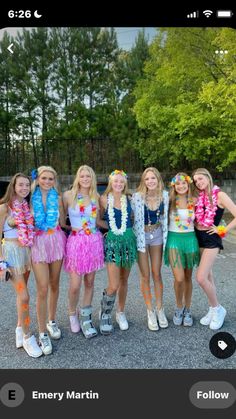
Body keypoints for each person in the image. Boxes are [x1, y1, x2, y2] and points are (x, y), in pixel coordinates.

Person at [0, 173, 42, 358]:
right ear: (13, 186)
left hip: (26, 253)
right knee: (24, 296)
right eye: (21, 185)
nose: (24, 188)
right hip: (11, 256)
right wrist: (1, 263)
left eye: (27, 185)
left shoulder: (26, 206)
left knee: (21, 294)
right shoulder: (4, 207)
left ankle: (19, 328)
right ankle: (27, 336)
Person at [63, 165, 104, 338]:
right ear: (77, 178)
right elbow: (60, 221)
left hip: (94, 242)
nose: (85, 178)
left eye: (88, 176)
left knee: (89, 282)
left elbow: (99, 221)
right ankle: (72, 313)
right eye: (82, 176)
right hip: (76, 242)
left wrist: (119, 229)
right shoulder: (67, 196)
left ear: (92, 178)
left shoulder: (97, 197)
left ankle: (85, 316)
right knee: (75, 284)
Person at [192, 168, 236, 330]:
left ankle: (218, 309)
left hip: (211, 238)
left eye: (201, 179)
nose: (199, 183)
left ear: (208, 178)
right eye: (196, 181)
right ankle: (212, 309)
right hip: (199, 237)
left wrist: (222, 230)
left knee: (201, 278)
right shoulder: (201, 196)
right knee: (208, 276)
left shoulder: (220, 195)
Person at [31, 166, 66, 355]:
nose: (47, 181)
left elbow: (62, 224)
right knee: (42, 287)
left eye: (50, 179)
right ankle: (42, 333)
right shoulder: (30, 198)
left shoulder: (58, 198)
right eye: (43, 178)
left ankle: (51, 321)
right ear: (37, 179)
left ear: (54, 180)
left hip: (56, 241)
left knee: (54, 284)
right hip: (38, 242)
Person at [99, 170, 137, 334]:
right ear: (111, 182)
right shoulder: (103, 199)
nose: (119, 184)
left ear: (125, 183)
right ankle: (105, 312)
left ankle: (120, 312)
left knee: (124, 280)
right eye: (116, 181)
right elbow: (97, 220)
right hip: (113, 243)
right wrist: (111, 230)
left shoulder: (129, 199)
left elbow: (133, 219)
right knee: (113, 284)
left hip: (128, 242)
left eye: (121, 182)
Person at [132, 167, 169, 331]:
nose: (150, 181)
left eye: (153, 178)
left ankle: (160, 309)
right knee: (145, 275)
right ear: (143, 181)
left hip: (158, 234)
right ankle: (150, 310)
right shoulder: (137, 197)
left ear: (158, 179)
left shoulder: (165, 196)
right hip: (141, 236)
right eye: (147, 179)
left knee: (156, 273)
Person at [164, 173, 200, 327]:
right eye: (177, 184)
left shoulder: (196, 201)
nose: (181, 186)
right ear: (174, 186)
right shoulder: (169, 201)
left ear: (188, 184)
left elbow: (202, 221)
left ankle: (188, 309)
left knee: (187, 277)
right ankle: (179, 307)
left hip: (190, 240)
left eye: (183, 183)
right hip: (174, 241)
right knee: (178, 278)